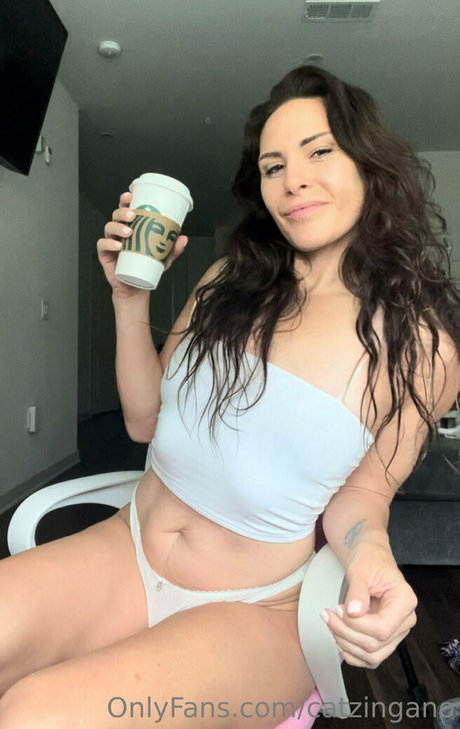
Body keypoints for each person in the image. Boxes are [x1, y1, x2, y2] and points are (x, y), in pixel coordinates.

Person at [1, 64, 459, 728]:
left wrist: (373, 555)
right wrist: (129, 300)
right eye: (273, 166)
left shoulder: (420, 344)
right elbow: (144, 419)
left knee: (32, 715)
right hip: (127, 548)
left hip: (255, 605)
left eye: (319, 152)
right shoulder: (227, 280)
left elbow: (364, 493)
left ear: (369, 165)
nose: (292, 179)